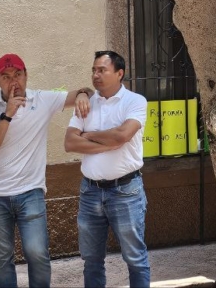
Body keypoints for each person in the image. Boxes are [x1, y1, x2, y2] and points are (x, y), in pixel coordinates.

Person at [0, 54, 91, 288]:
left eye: (17, 74)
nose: (13, 81)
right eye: (6, 77)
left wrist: (81, 94)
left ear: (26, 75)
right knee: (1, 258)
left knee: (38, 254)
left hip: (31, 193)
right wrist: (8, 114)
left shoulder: (43, 100)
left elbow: (84, 91)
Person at [65, 50, 150, 287]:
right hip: (90, 191)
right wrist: (109, 141)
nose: (96, 75)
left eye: (102, 70)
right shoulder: (86, 104)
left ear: (119, 73)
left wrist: (89, 135)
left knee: (135, 258)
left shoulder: (135, 101)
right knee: (91, 260)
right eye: (93, 70)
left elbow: (123, 135)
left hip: (126, 191)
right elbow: (70, 142)